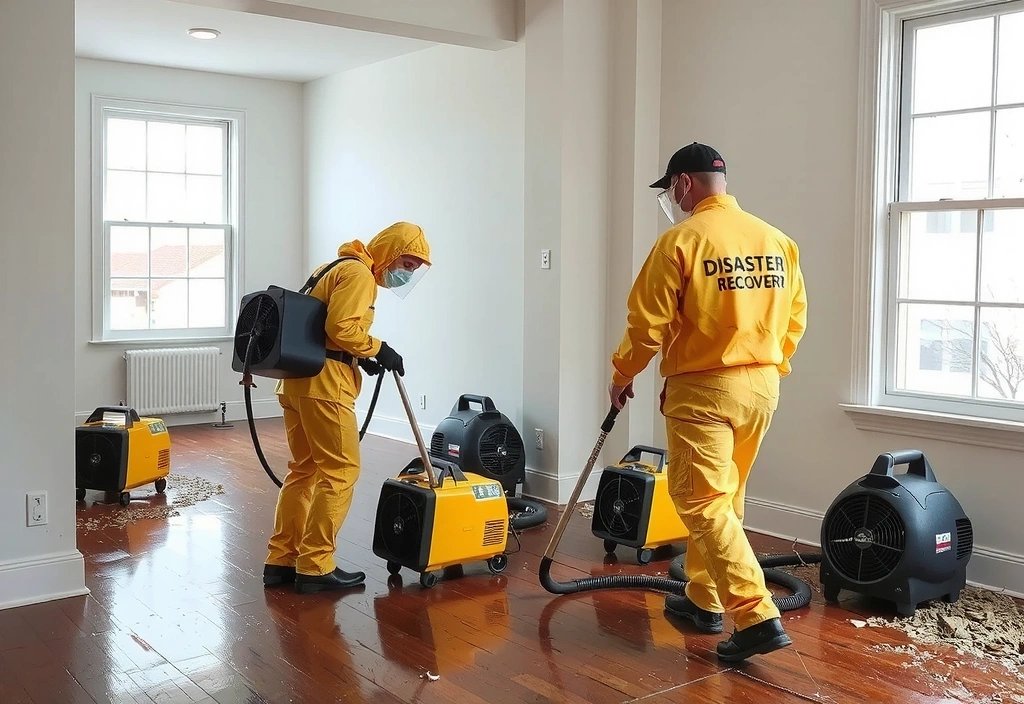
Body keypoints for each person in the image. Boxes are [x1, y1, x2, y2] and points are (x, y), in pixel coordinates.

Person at [608, 142, 807, 662]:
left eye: (671, 190)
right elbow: (795, 319)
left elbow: (646, 323)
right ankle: (704, 599)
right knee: (727, 496)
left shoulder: (682, 240)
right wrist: (769, 364)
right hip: (762, 387)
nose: (671, 199)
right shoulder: (776, 240)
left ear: (684, 184)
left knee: (701, 500)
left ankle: (755, 613)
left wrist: (622, 373)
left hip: (704, 388)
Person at [263, 221, 432, 594]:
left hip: (294, 381)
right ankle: (315, 565)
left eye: (414, 270)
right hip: (324, 387)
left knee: (304, 470)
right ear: (388, 251)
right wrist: (378, 349)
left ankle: (282, 559)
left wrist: (359, 357)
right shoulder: (359, 274)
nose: (406, 274)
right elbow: (341, 327)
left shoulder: (334, 266)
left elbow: (323, 328)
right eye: (406, 264)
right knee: (340, 472)